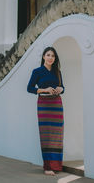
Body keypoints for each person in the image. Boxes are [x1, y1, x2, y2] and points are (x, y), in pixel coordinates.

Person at [27, 46, 64, 176]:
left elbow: (63, 87)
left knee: (57, 136)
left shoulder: (57, 72)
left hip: (57, 105)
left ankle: (57, 165)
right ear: (43, 56)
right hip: (44, 105)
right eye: (48, 55)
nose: (50, 58)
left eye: (53, 56)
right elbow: (29, 88)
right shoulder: (37, 71)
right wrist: (45, 90)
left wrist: (60, 89)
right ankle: (48, 167)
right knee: (46, 135)